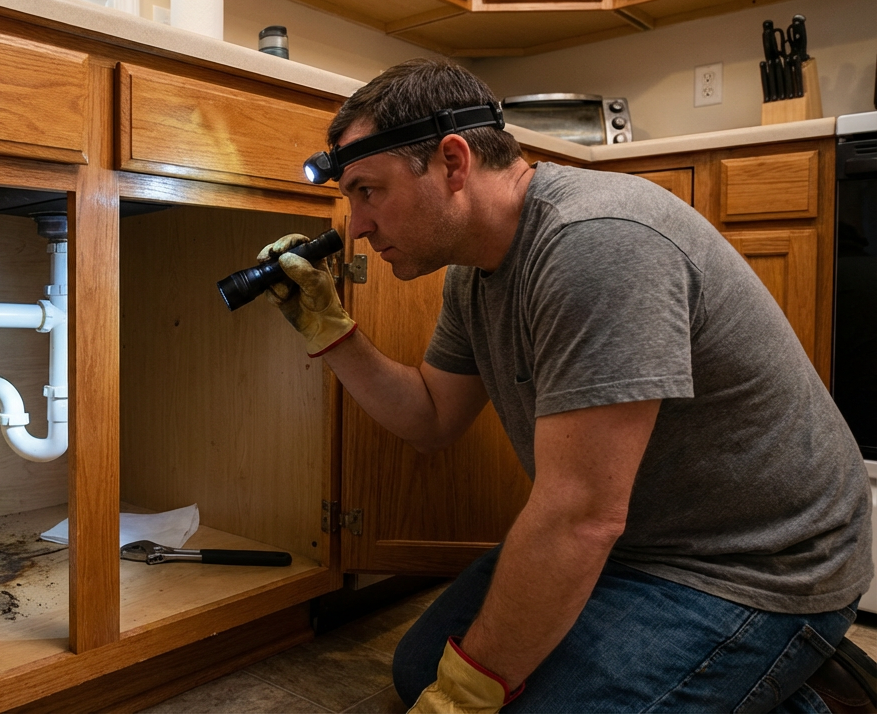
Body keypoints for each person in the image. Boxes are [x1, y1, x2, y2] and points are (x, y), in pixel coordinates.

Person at [259, 58, 872, 713]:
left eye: (366, 191)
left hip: (754, 564)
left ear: (453, 162)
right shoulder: (475, 270)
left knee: (500, 697)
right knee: (419, 669)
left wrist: (465, 699)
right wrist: (329, 328)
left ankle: (799, 670)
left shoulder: (596, 243)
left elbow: (579, 516)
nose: (355, 225)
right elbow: (433, 417)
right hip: (633, 542)